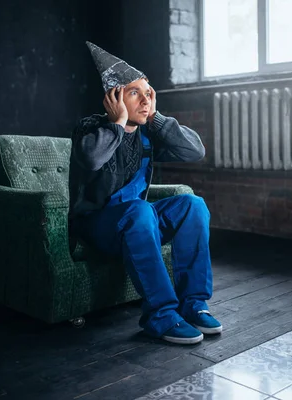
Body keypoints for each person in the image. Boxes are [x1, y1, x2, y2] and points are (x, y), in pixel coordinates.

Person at [68, 41, 221, 345]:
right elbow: (91, 159)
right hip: (98, 227)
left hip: (139, 222)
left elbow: (196, 151)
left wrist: (156, 118)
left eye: (148, 93)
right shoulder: (91, 128)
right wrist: (118, 124)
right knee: (139, 211)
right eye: (134, 93)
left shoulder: (149, 134)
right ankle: (161, 315)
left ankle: (193, 304)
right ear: (113, 98)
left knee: (193, 205)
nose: (145, 99)